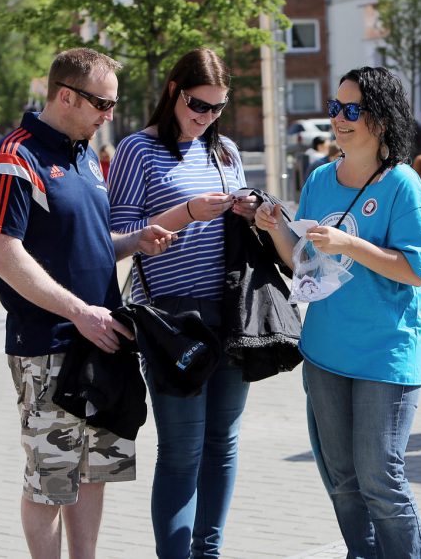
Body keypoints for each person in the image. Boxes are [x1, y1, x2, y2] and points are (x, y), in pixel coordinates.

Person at [0, 47, 175, 559]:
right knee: (51, 479)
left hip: (104, 340)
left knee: (94, 471)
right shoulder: (13, 159)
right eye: (102, 104)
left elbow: (85, 243)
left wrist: (134, 242)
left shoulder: (85, 155)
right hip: (48, 346)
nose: (109, 115)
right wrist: (79, 313)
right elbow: (3, 254)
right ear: (66, 95)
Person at [255, 66, 421, 557]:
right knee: (343, 481)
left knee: (381, 478)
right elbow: (304, 261)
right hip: (325, 353)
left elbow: (415, 270)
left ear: (380, 118)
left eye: (351, 109)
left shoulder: (403, 186)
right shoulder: (318, 179)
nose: (339, 118)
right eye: (335, 108)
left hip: (385, 355)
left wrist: (349, 244)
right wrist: (275, 227)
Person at [107, 47, 259, 558]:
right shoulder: (136, 150)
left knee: (222, 445)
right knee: (181, 451)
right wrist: (188, 212)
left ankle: (208, 553)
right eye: (197, 105)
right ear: (173, 91)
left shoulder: (226, 152)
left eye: (216, 108)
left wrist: (253, 211)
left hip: (230, 313)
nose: (205, 117)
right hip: (172, 318)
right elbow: (116, 237)